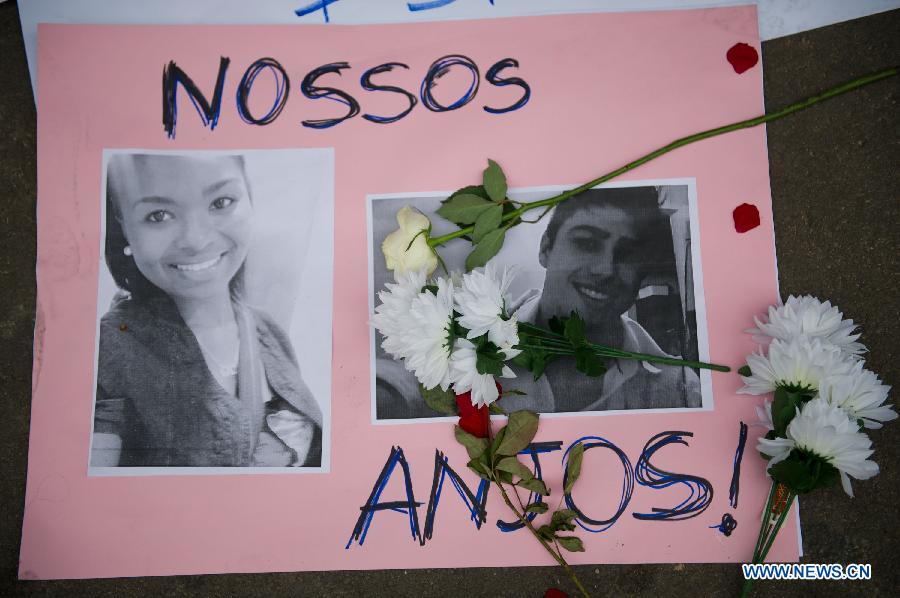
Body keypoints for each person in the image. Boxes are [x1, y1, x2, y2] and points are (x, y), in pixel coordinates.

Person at [91, 153, 323, 467]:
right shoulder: (106, 349)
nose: (196, 240)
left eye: (221, 202)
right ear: (122, 225)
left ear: (248, 198)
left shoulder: (268, 331)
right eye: (159, 215)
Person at [502, 186, 701, 413]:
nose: (606, 269)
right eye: (587, 243)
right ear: (546, 248)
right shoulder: (473, 350)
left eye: (627, 254)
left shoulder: (681, 390)